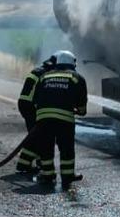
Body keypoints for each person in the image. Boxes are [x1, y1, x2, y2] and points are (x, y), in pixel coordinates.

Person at [32, 50, 88, 190]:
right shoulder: (76, 78)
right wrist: (80, 111)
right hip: (64, 119)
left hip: (43, 118)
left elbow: (35, 99)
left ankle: (47, 175)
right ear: (72, 63)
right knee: (66, 148)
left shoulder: (44, 76)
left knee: (46, 147)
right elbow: (81, 104)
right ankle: (67, 176)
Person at [15, 56, 57, 175]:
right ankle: (28, 164)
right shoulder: (46, 74)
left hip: (24, 104)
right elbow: (43, 93)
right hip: (31, 106)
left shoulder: (38, 70)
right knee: (39, 136)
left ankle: (26, 163)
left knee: (36, 135)